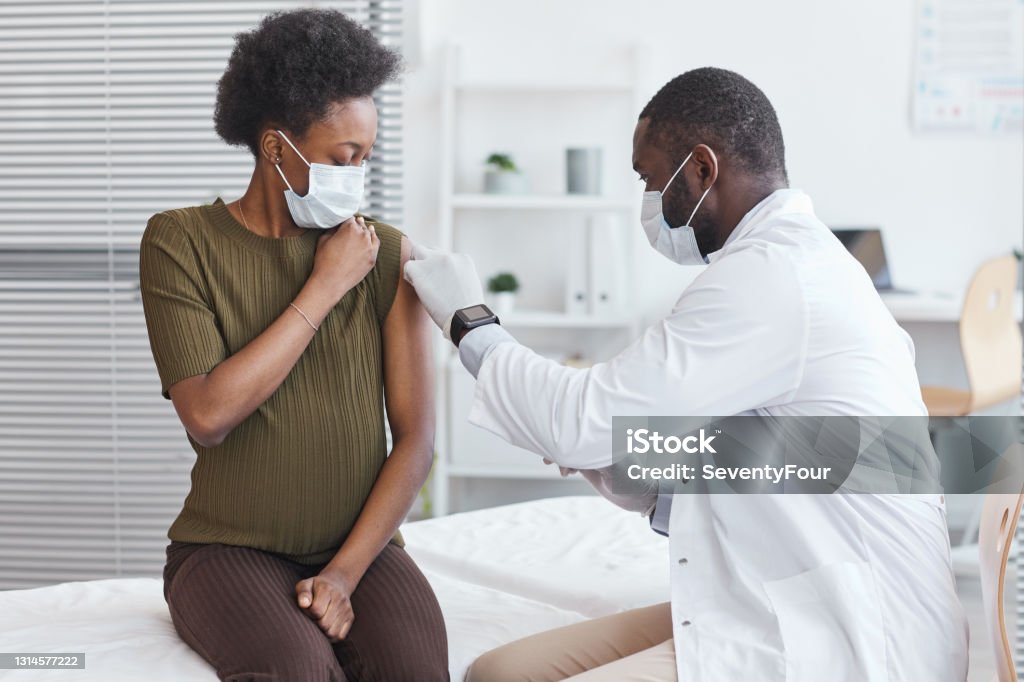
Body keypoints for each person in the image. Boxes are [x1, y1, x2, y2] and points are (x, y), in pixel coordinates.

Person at [404, 67, 969, 680]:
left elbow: (583, 419)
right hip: (797, 592)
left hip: (850, 633)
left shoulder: (772, 279)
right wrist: (638, 479)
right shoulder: (791, 263)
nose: (648, 201)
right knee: (497, 674)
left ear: (702, 169)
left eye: (650, 178)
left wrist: (468, 320)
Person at [139, 9, 448, 681]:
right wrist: (324, 287)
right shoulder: (180, 242)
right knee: (303, 674)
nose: (359, 175)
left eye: (367, 157)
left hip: (359, 549)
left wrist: (342, 574)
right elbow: (209, 416)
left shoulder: (385, 253)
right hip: (225, 551)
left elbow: (417, 439)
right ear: (277, 148)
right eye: (345, 158)